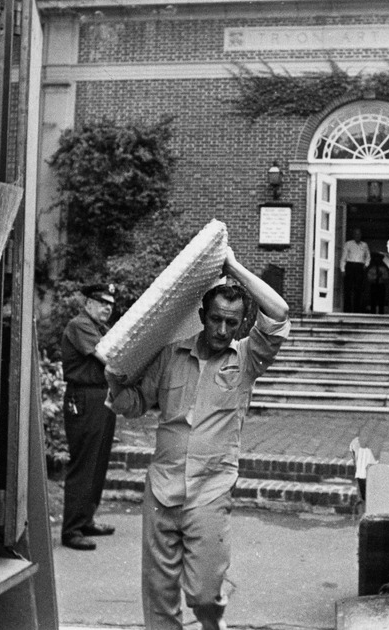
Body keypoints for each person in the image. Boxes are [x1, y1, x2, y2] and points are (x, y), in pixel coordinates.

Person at [109, 247, 290, 630]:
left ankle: (212, 623)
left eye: (232, 322)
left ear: (241, 325)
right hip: (162, 487)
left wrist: (234, 267)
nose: (223, 330)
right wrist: (113, 375)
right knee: (158, 594)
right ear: (202, 317)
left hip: (210, 489)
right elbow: (136, 402)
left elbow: (279, 312)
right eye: (216, 320)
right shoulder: (171, 354)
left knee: (205, 594)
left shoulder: (246, 359)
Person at [60, 282, 119, 550]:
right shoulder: (80, 325)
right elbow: (107, 356)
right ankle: (71, 530)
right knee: (84, 463)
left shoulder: (98, 328)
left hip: (101, 396)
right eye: (102, 303)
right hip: (85, 397)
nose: (107, 308)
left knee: (98, 462)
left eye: (110, 304)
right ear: (88, 304)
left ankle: (86, 520)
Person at [339, 227, 371, 313]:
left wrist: (366, 265)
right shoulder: (348, 244)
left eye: (359, 234)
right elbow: (343, 258)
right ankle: (347, 310)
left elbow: (368, 257)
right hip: (350, 266)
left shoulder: (364, 245)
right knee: (348, 289)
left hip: (359, 267)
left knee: (359, 290)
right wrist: (342, 269)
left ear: (361, 235)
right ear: (353, 235)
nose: (357, 235)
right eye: (356, 234)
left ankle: (357, 310)